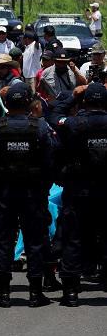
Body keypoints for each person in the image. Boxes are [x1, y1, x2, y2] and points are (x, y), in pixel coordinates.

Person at [0, 82, 56, 308]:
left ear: (6, 103)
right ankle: (35, 293)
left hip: (4, 194)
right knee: (34, 241)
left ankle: (3, 292)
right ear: (28, 103)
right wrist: (42, 189)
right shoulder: (40, 128)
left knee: (4, 240)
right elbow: (49, 163)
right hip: (32, 194)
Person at [53, 82, 107, 305]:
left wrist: (73, 97)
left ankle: (71, 291)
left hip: (78, 190)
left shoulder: (73, 124)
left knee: (72, 238)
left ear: (84, 101)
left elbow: (54, 114)